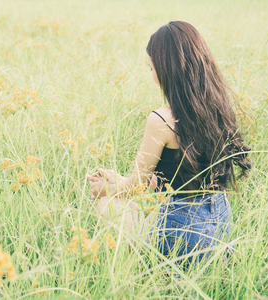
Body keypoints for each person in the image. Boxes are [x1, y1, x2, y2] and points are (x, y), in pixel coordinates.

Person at [87, 21, 252, 264]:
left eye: (151, 68)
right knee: (134, 205)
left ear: (167, 70)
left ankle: (142, 269)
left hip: (183, 240)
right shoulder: (220, 108)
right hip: (220, 235)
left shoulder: (161, 118)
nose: (152, 75)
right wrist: (121, 181)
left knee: (107, 204)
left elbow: (137, 186)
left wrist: (106, 189)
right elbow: (163, 178)